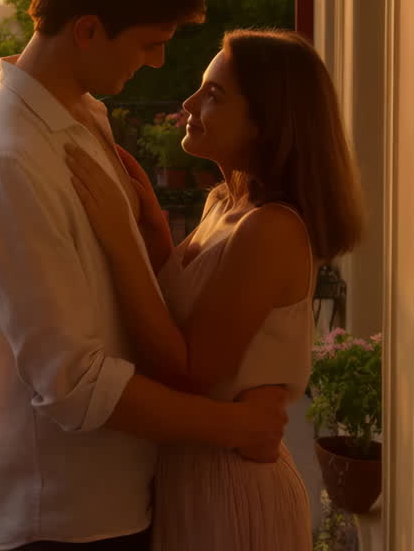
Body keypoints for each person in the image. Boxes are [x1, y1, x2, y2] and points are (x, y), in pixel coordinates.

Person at [0, 0, 290, 551]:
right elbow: (72, 384)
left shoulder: (77, 120)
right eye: (148, 43)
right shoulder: (9, 160)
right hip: (64, 520)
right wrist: (233, 428)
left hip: (113, 497)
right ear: (89, 29)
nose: (157, 63)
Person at [66, 28, 366, 550]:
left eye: (214, 94)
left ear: (267, 122)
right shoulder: (222, 206)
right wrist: (156, 235)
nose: (188, 102)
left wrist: (119, 236)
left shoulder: (269, 229)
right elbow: (176, 312)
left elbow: (191, 371)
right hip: (192, 477)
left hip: (230, 490)